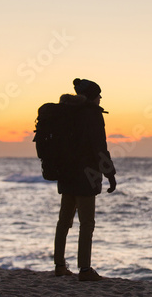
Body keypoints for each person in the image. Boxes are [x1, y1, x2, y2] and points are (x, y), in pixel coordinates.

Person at [53, 78, 117, 281]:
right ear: (92, 97)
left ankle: (60, 265)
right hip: (85, 176)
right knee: (87, 223)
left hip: (65, 172)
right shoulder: (92, 115)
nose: (100, 98)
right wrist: (110, 174)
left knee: (64, 221)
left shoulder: (66, 112)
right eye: (99, 94)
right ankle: (85, 270)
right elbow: (100, 148)